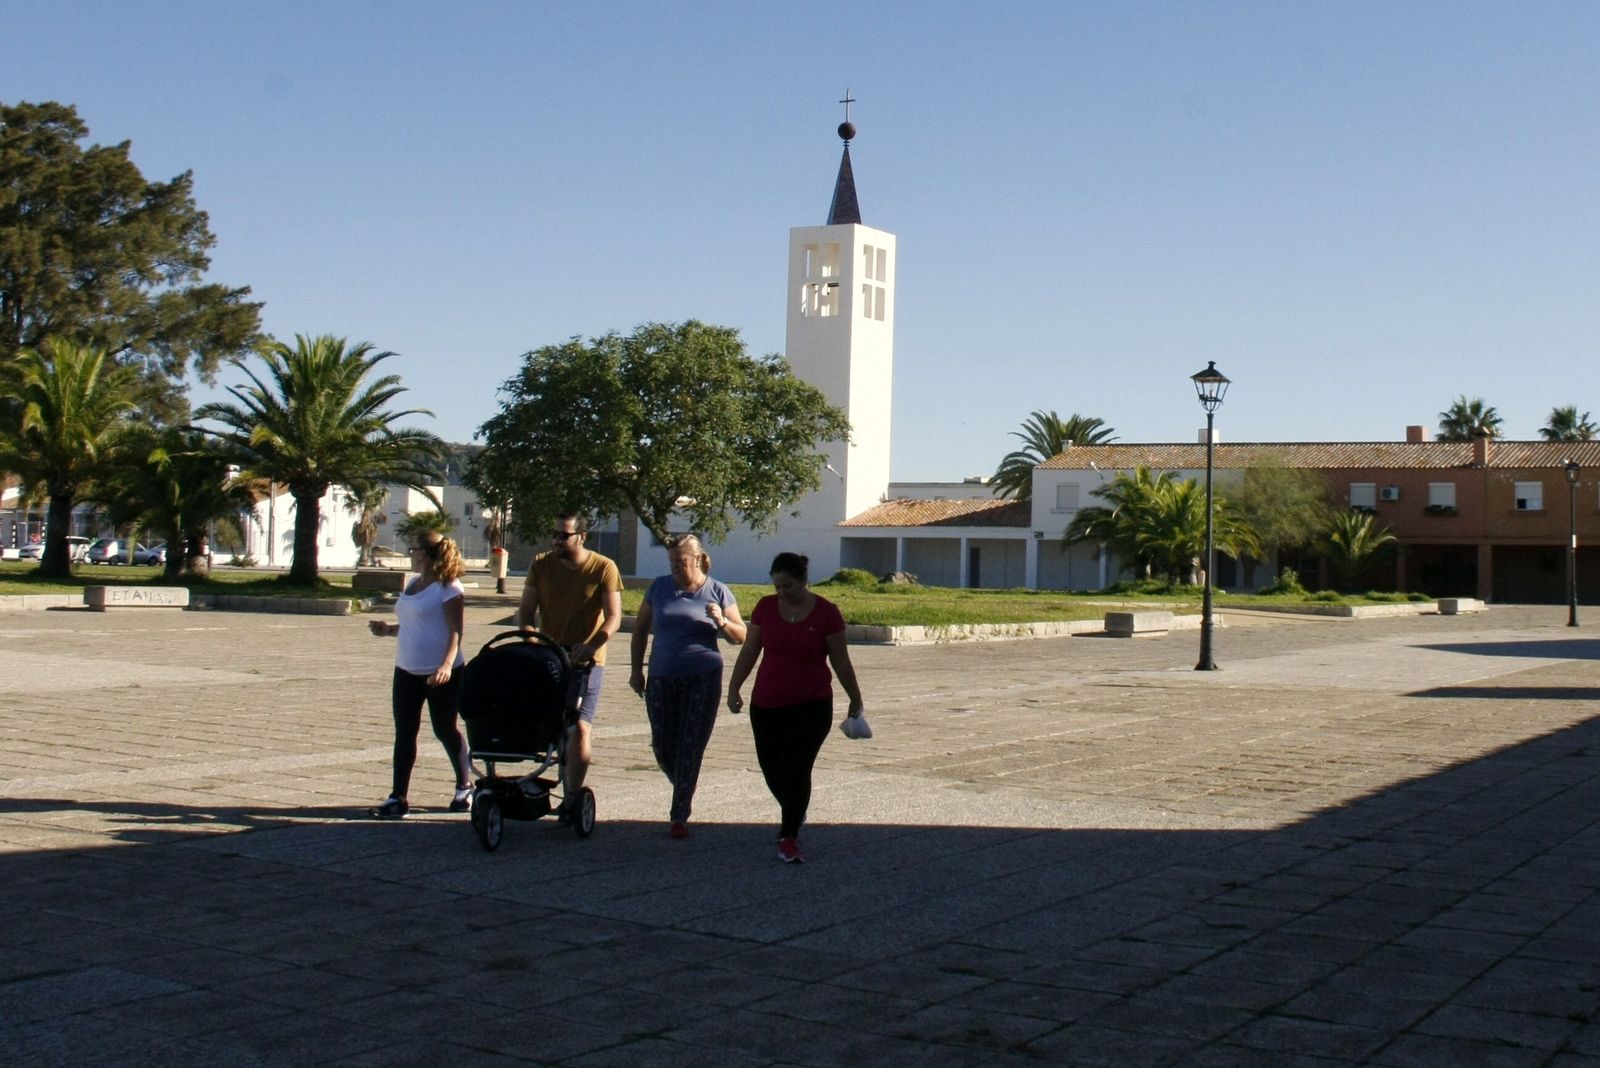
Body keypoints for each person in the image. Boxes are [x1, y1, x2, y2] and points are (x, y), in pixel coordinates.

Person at [726, 552, 864, 863]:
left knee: (797, 767)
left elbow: (841, 661)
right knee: (771, 767)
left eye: (788, 586)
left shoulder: (827, 613)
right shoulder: (765, 608)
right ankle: (795, 809)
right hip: (767, 703)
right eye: (777, 587)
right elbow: (750, 650)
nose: (782, 593)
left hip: (812, 705)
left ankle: (789, 835)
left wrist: (855, 698)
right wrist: (734, 687)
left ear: (804, 581)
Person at [628, 535, 747, 839]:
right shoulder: (658, 588)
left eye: (681, 562)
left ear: (697, 560)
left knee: (690, 746)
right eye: (671, 562)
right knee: (662, 746)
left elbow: (741, 636)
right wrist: (636, 670)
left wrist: (721, 621)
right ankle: (685, 782)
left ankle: (679, 816)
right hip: (661, 676)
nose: (675, 568)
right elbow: (640, 630)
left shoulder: (717, 591)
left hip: (703, 677)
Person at [517, 512, 622, 819]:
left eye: (564, 535)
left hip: (586, 661)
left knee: (580, 726)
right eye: (554, 535)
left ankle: (573, 796)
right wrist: (530, 639)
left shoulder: (603, 567)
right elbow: (526, 609)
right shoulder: (541, 564)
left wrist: (592, 645)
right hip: (549, 657)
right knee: (553, 725)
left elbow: (614, 617)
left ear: (582, 537)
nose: (557, 541)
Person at [368, 530, 473, 819]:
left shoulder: (449, 587)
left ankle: (465, 786)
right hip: (406, 669)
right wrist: (388, 630)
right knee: (405, 732)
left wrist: (445, 666)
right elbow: (416, 625)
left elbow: (455, 632)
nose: (410, 554)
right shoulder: (414, 583)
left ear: (425, 554)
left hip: (442, 672)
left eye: (413, 549)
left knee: (444, 729)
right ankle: (398, 798)